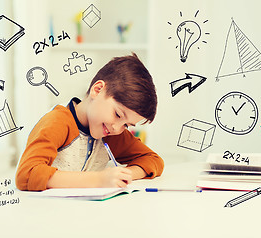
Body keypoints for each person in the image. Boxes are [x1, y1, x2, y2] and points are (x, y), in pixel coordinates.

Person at [15, 53, 164, 191]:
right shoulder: (57, 122)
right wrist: (99, 180)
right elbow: (26, 174)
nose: (117, 128)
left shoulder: (112, 133)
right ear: (98, 90)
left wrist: (124, 174)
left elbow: (154, 160)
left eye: (126, 125)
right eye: (118, 114)